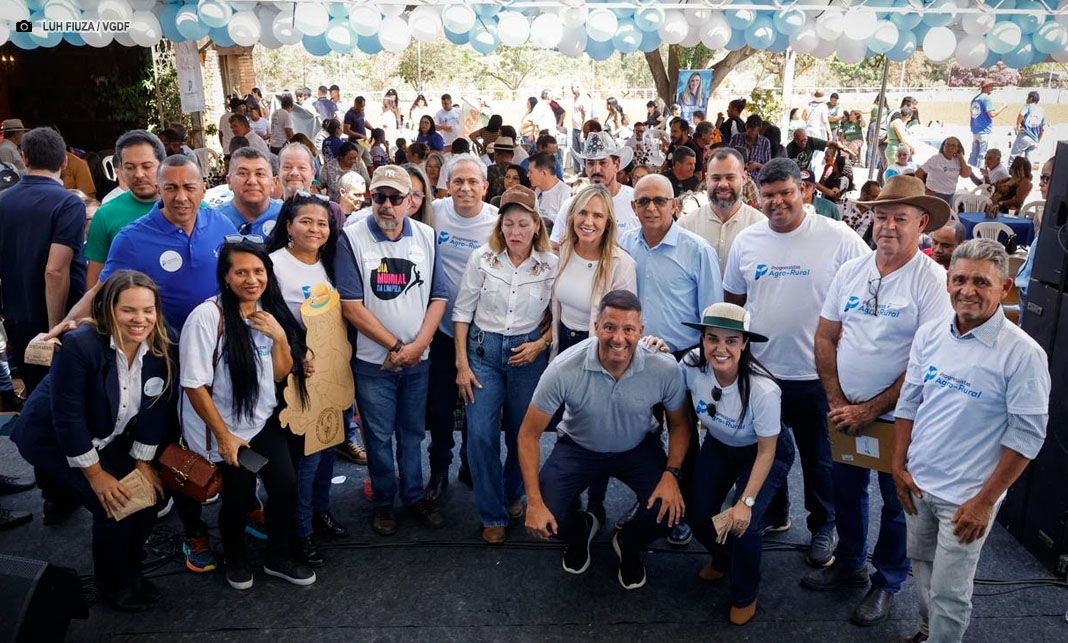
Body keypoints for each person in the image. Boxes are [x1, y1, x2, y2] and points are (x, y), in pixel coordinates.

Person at [803, 176, 954, 627]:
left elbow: (926, 360)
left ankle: (887, 582)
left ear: (922, 223)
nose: (887, 226)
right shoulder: (852, 270)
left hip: (900, 419)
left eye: (899, 218)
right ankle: (849, 565)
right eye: (881, 216)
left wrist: (871, 408)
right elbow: (826, 336)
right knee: (845, 493)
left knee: (897, 502)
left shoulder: (932, 282)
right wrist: (836, 398)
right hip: (844, 408)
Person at [894, 239, 1050, 642]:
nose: (967, 290)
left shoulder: (1023, 355)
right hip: (918, 484)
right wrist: (897, 466)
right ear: (947, 280)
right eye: (959, 278)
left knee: (950, 593)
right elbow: (909, 403)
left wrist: (984, 503)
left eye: (981, 282)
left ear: (1006, 287)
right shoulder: (930, 335)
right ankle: (929, 632)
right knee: (922, 567)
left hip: (966, 499)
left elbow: (1028, 436)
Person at [723, 158, 870, 567]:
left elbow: (871, 278)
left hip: (818, 376)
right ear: (757, 195)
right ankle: (775, 513)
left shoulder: (838, 237)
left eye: (786, 192)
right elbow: (734, 302)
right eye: (768, 195)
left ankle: (825, 525)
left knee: (820, 459)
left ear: (803, 190)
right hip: (763, 372)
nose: (777, 202)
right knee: (766, 451)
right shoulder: (747, 241)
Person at [12, 271, 176, 610]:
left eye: (148, 310)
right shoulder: (81, 345)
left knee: (147, 499)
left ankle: (132, 571)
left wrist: (143, 463)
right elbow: (67, 419)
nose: (140, 319)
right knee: (114, 506)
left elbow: (154, 408)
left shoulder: (163, 342)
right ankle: (113, 585)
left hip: (106, 430)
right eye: (129, 310)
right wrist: (96, 475)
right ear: (108, 309)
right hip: (53, 436)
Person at [519, 289, 690, 589]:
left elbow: (680, 425)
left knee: (668, 509)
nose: (618, 338)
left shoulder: (664, 368)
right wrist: (533, 501)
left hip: (637, 447)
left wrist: (671, 474)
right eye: (610, 327)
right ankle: (580, 529)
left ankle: (630, 543)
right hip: (579, 446)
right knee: (547, 509)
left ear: (641, 331)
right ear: (596, 326)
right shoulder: (563, 368)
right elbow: (528, 434)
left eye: (628, 329)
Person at [180, 239, 315, 591]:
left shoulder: (266, 313)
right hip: (224, 429)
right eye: (241, 272)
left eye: (258, 271)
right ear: (225, 277)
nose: (251, 279)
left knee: (285, 486)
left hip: (260, 422)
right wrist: (224, 437)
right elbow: (194, 386)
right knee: (238, 497)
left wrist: (281, 338)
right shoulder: (208, 317)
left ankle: (278, 556)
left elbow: (279, 374)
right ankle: (236, 558)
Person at [335, 165, 448, 535]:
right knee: (379, 438)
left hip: (418, 360)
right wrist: (399, 347)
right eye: (379, 197)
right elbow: (351, 305)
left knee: (413, 433)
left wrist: (417, 347)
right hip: (374, 362)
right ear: (370, 197)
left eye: (395, 198)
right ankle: (384, 501)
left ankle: (413, 496)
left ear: (410, 202)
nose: (386, 206)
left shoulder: (428, 236)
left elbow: (439, 296)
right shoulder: (350, 238)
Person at [452, 186, 557, 544]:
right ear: (500, 225)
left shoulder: (550, 263)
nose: (515, 231)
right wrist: (461, 365)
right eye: (509, 223)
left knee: (521, 433)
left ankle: (513, 494)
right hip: (483, 352)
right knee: (479, 435)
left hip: (528, 354)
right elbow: (462, 312)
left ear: (536, 226)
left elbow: (559, 315)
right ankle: (492, 512)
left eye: (523, 224)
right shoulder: (482, 258)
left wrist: (541, 344)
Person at [681, 302, 795, 626]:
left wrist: (744, 501)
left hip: (762, 451)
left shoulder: (763, 390)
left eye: (731, 340)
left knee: (743, 522)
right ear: (702, 340)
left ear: (744, 344)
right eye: (713, 338)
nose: (721, 348)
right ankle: (724, 558)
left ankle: (745, 592)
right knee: (697, 511)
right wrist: (653, 347)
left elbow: (767, 452)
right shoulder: (690, 365)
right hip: (719, 443)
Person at [265, 194, 347, 569]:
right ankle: (300, 533)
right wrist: (296, 354)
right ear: (288, 226)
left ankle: (320, 511)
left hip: (330, 373)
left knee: (330, 446)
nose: (315, 229)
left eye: (322, 223)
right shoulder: (272, 266)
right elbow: (266, 320)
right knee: (307, 458)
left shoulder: (329, 263)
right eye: (306, 222)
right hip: (296, 377)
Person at [424, 155, 500, 502]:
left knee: (478, 407)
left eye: (473, 182)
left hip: (482, 331)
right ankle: (439, 469)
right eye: (458, 182)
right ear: (447, 185)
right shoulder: (435, 212)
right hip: (440, 329)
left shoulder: (498, 223)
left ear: (486, 187)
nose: (465, 188)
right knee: (439, 408)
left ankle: (472, 465)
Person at [0, 127, 87, 398]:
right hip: (60, 315)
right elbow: (55, 270)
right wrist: (54, 327)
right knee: (64, 396)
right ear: (64, 161)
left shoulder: (3, 200)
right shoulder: (68, 203)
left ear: (24, 159)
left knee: (36, 391)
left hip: (16, 312)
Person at [621, 174, 722, 356]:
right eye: (643, 201)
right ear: (633, 207)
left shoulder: (698, 250)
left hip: (682, 356)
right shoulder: (625, 244)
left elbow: (712, 315)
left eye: (660, 201)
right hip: (633, 352)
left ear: (674, 205)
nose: (651, 208)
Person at [552, 185, 637, 360]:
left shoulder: (621, 263)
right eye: (583, 213)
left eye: (597, 215)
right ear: (573, 215)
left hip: (598, 349)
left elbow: (625, 321)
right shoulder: (564, 250)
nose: (588, 221)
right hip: (562, 342)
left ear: (607, 222)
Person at [84, 130, 165, 288]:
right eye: (130, 167)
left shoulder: (192, 209)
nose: (139, 174)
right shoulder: (105, 214)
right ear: (119, 170)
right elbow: (94, 283)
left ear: (162, 165)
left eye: (147, 166)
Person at [679, 148, 767, 276]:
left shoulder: (761, 227)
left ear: (744, 178)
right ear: (707, 179)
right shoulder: (685, 227)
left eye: (730, 177)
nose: (723, 184)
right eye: (716, 178)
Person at [549, 132, 638, 250]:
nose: (596, 170)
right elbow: (554, 247)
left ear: (616, 165)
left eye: (602, 162)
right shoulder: (571, 205)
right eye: (590, 163)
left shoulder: (635, 200)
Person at [219, 148, 282, 237]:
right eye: (243, 173)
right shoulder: (214, 220)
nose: (252, 181)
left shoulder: (286, 216)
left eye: (260, 174)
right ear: (229, 181)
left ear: (273, 182)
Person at [916, 137, 972, 205]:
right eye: (947, 144)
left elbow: (966, 175)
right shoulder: (936, 159)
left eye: (953, 145)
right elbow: (918, 173)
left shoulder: (958, 160)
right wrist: (925, 190)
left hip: (950, 195)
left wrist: (961, 158)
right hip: (934, 195)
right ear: (943, 146)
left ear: (958, 148)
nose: (949, 147)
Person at [968, 79, 1006, 167]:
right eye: (991, 86)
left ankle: (970, 171)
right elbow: (991, 114)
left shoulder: (975, 99)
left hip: (975, 129)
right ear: (986, 87)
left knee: (974, 154)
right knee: (982, 154)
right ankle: (981, 172)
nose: (992, 88)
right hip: (984, 130)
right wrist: (1003, 107)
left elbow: (972, 115)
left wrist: (972, 127)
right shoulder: (986, 98)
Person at [528, 152, 570, 228]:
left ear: (543, 173)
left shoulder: (565, 194)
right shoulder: (537, 190)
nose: (527, 175)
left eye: (531, 172)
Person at [1011, 91, 1045, 163]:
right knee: (1028, 163)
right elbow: (1043, 129)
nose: (1026, 99)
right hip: (1034, 139)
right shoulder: (1042, 111)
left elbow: (1021, 114)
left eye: (1027, 98)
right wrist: (1038, 140)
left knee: (1013, 159)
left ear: (1031, 98)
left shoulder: (1028, 106)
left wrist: (1018, 125)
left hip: (1024, 136)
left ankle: (1010, 174)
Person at [569, 82, 593, 173]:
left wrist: (584, 131)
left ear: (578, 87)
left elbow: (587, 115)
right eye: (571, 87)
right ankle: (577, 170)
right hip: (575, 128)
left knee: (584, 151)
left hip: (582, 129)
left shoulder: (584, 99)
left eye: (573, 87)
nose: (572, 89)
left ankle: (585, 171)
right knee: (576, 151)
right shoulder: (575, 98)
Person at [485, 137, 517, 204]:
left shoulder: (490, 170)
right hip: (512, 208)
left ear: (496, 154)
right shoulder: (519, 170)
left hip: (492, 208)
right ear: (512, 155)